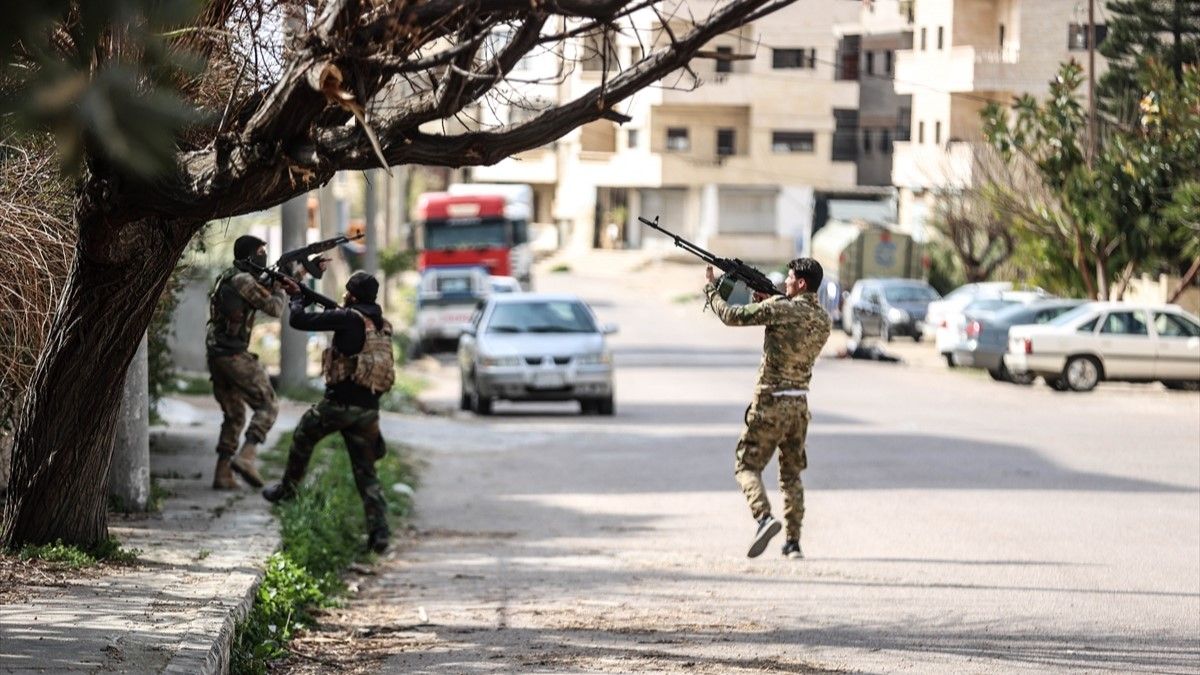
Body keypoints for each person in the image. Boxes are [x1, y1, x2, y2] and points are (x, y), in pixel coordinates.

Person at [703, 259, 832, 559]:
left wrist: (712, 289)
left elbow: (732, 316)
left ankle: (763, 518)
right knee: (791, 475)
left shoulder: (780, 308)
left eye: (789, 278)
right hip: (799, 404)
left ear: (801, 284)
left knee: (746, 465)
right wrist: (771, 301)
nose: (785, 282)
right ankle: (793, 542)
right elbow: (794, 323)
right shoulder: (824, 320)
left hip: (771, 401)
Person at [263, 272, 395, 553]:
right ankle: (379, 533)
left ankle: (287, 490)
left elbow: (298, 321)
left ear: (353, 296)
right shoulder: (381, 324)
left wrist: (297, 298)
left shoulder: (348, 318)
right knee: (366, 472)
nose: (344, 296)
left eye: (347, 292)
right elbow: (336, 313)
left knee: (303, 434)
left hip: (339, 405)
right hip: (368, 410)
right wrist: (307, 293)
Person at [206, 235, 287, 490]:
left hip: (217, 354)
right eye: (260, 250)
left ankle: (222, 474)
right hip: (233, 355)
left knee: (235, 414)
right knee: (268, 405)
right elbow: (274, 308)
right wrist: (282, 286)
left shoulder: (229, 276)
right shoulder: (243, 280)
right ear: (250, 255)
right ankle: (247, 457)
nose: (264, 254)